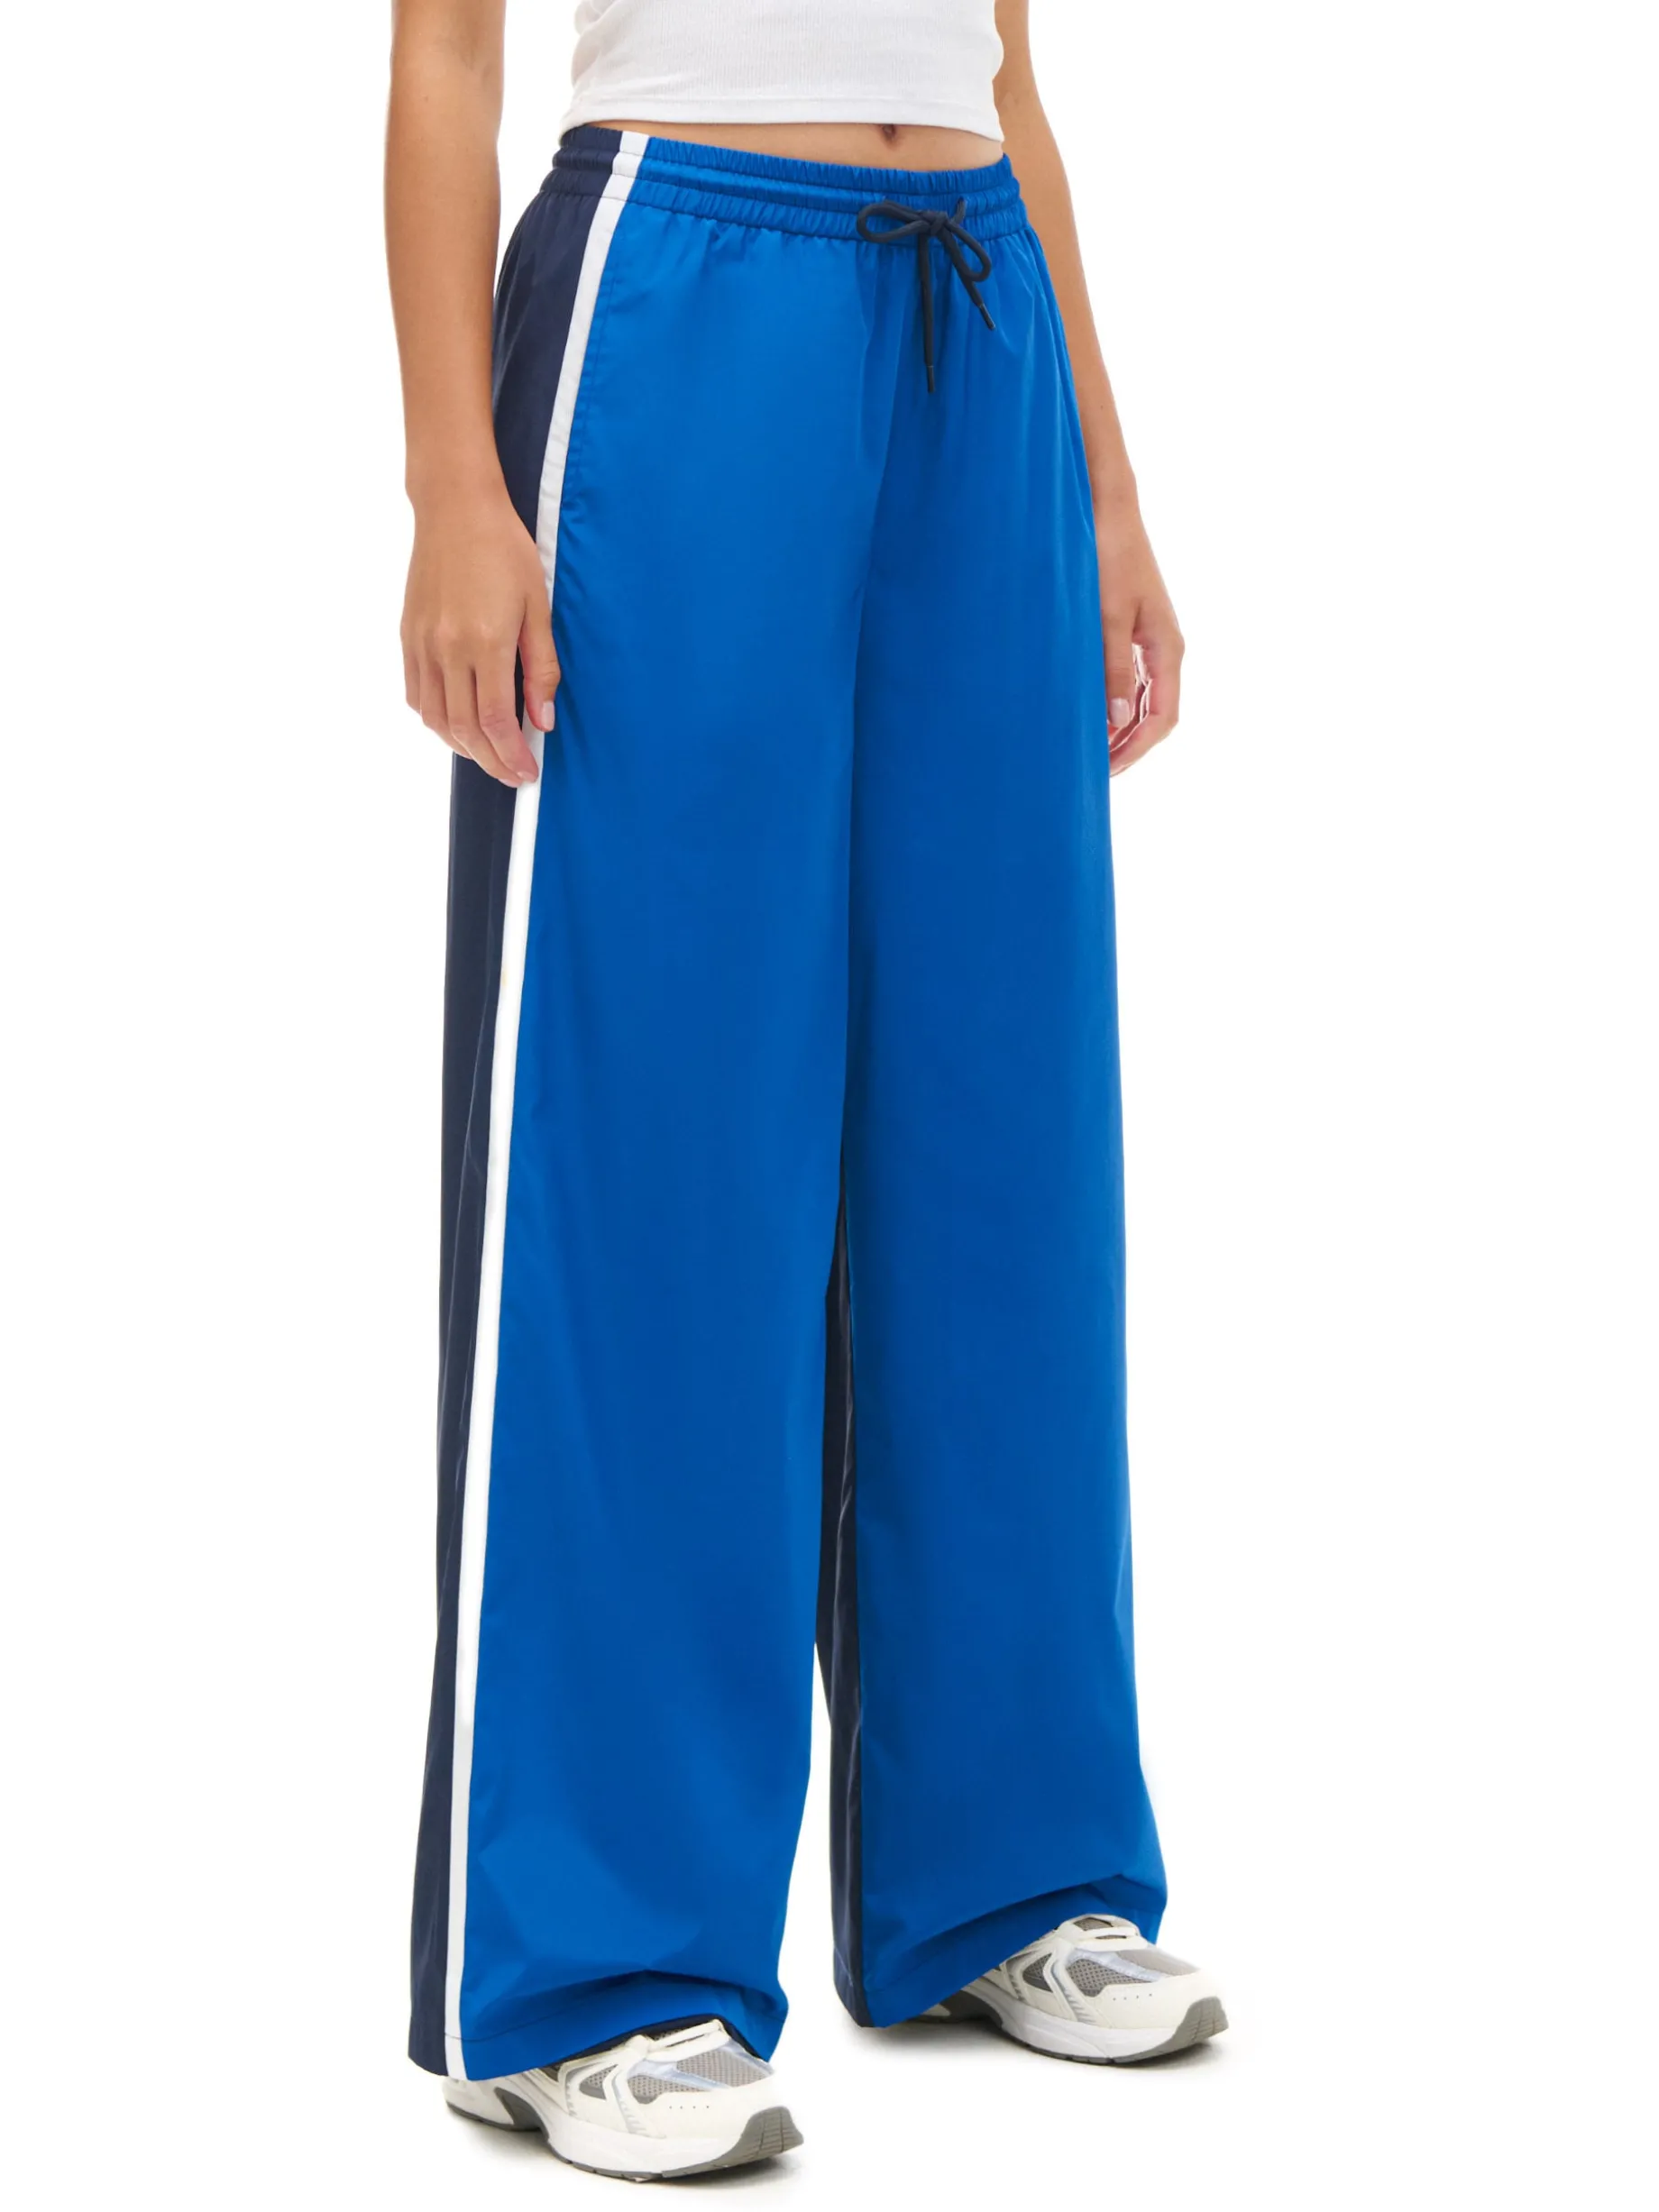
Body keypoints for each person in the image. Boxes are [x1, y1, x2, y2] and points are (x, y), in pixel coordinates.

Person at [386, 0, 1224, 2179]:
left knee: (996, 1140)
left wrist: (1105, 487)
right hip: (682, 288)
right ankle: (584, 1969)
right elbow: (446, 58)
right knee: (657, 1152)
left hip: (974, 310)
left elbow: (1000, 68)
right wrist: (454, 487)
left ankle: (1004, 1873)